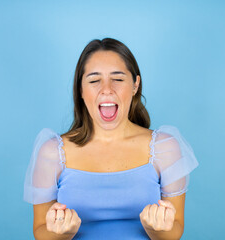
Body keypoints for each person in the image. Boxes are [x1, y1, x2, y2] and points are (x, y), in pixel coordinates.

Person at [23, 37, 199, 239]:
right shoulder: (51, 152)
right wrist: (64, 234)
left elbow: (175, 231)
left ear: (135, 85)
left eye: (118, 79)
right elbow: (40, 231)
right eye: (94, 80)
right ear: (80, 89)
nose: (106, 89)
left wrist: (156, 229)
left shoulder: (165, 148)